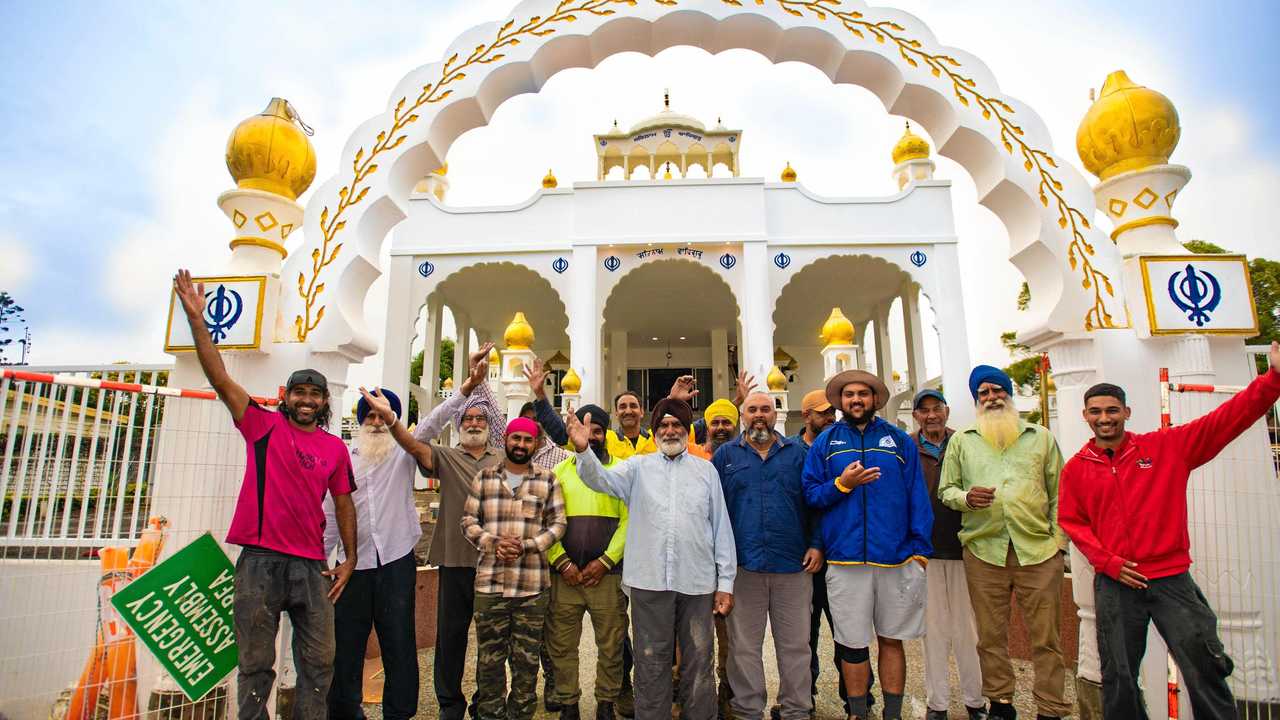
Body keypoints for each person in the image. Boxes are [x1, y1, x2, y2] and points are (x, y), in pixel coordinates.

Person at [1058, 341, 1280, 720]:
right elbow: (1072, 522)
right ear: (1085, 416)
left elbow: (1227, 419)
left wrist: (1274, 378)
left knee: (1204, 667)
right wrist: (1108, 562)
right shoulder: (1076, 468)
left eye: (1112, 410)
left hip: (1171, 580)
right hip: (1116, 585)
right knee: (1119, 676)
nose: (1105, 417)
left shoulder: (1165, 448)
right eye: (1096, 411)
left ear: (1127, 412)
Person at [173, 270, 357, 720]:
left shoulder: (335, 448)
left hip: (312, 566)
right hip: (259, 562)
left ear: (324, 403)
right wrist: (199, 320)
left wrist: (349, 558)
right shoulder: (261, 426)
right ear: (286, 397)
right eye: (300, 392)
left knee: (319, 662)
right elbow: (218, 377)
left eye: (315, 394)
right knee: (256, 665)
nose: (308, 400)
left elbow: (345, 502)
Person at [568, 398, 737, 720]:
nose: (670, 430)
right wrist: (582, 450)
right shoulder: (637, 468)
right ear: (655, 430)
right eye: (663, 425)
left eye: (676, 425)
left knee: (700, 660)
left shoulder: (706, 471)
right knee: (650, 661)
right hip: (648, 582)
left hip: (697, 583)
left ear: (687, 430)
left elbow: (721, 530)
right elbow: (599, 480)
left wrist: (725, 583)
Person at [938, 366, 1068, 720]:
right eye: (984, 393)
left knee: (1046, 638)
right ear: (976, 399)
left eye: (998, 390)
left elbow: (1061, 493)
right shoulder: (964, 440)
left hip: (1037, 551)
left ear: (1008, 395)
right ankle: (1001, 703)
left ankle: (1051, 707)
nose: (992, 397)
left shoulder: (1039, 437)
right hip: (985, 551)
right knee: (991, 636)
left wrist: (1058, 542)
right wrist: (967, 498)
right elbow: (946, 490)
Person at [802, 370, 932, 720]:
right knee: (852, 645)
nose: (856, 400)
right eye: (849, 395)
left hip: (895, 559)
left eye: (863, 394)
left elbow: (917, 495)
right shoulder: (826, 443)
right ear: (840, 402)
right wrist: (842, 484)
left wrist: (920, 551)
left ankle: (892, 713)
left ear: (875, 399)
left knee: (891, 639)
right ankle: (857, 713)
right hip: (845, 563)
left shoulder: (899, 441)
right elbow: (811, 495)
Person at [715, 392, 823, 720]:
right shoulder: (726, 456)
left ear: (776, 414)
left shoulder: (799, 454)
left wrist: (817, 543)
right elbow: (713, 511)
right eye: (752, 410)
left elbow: (816, 502)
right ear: (742, 416)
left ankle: (796, 710)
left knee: (795, 647)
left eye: (766, 409)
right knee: (744, 647)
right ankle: (748, 710)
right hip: (743, 567)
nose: (759, 415)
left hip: (793, 565)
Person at [412, 343, 505, 720]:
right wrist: (465, 390)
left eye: (481, 419)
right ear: (458, 424)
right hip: (453, 559)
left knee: (491, 639)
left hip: (494, 563)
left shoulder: (502, 458)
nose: (475, 423)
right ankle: (450, 704)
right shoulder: (445, 457)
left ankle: (486, 702)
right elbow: (417, 438)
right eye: (467, 419)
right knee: (450, 638)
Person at [322, 387, 422, 720]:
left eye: (384, 415)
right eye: (372, 415)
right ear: (361, 419)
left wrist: (465, 389)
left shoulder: (404, 453)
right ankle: (346, 711)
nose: (377, 421)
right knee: (347, 644)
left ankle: (400, 712)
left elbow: (435, 423)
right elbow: (332, 514)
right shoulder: (343, 457)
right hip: (353, 566)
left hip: (395, 561)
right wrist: (321, 565)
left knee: (399, 642)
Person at [462, 417, 568, 720]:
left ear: (536, 444)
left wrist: (528, 545)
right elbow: (468, 521)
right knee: (489, 662)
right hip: (490, 585)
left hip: (531, 587)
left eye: (527, 440)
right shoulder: (484, 478)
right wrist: (492, 542)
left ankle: (520, 714)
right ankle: (490, 714)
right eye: (516, 439)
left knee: (526, 662)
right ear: (506, 440)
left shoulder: (547, 480)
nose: (521, 445)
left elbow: (558, 524)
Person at [545, 405, 631, 720]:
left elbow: (630, 521)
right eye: (585, 429)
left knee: (612, 644)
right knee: (562, 645)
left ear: (606, 433)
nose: (591, 436)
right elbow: (545, 520)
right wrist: (562, 562)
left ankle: (606, 702)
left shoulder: (622, 470)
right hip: (564, 577)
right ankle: (568, 703)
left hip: (607, 578)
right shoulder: (558, 473)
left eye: (597, 430)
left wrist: (606, 561)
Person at [911, 390, 986, 720]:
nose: (931, 416)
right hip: (925, 552)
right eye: (924, 410)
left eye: (936, 409)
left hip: (964, 548)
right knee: (934, 629)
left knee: (969, 630)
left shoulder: (965, 443)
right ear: (916, 416)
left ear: (947, 411)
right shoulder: (907, 448)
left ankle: (976, 699)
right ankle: (937, 703)